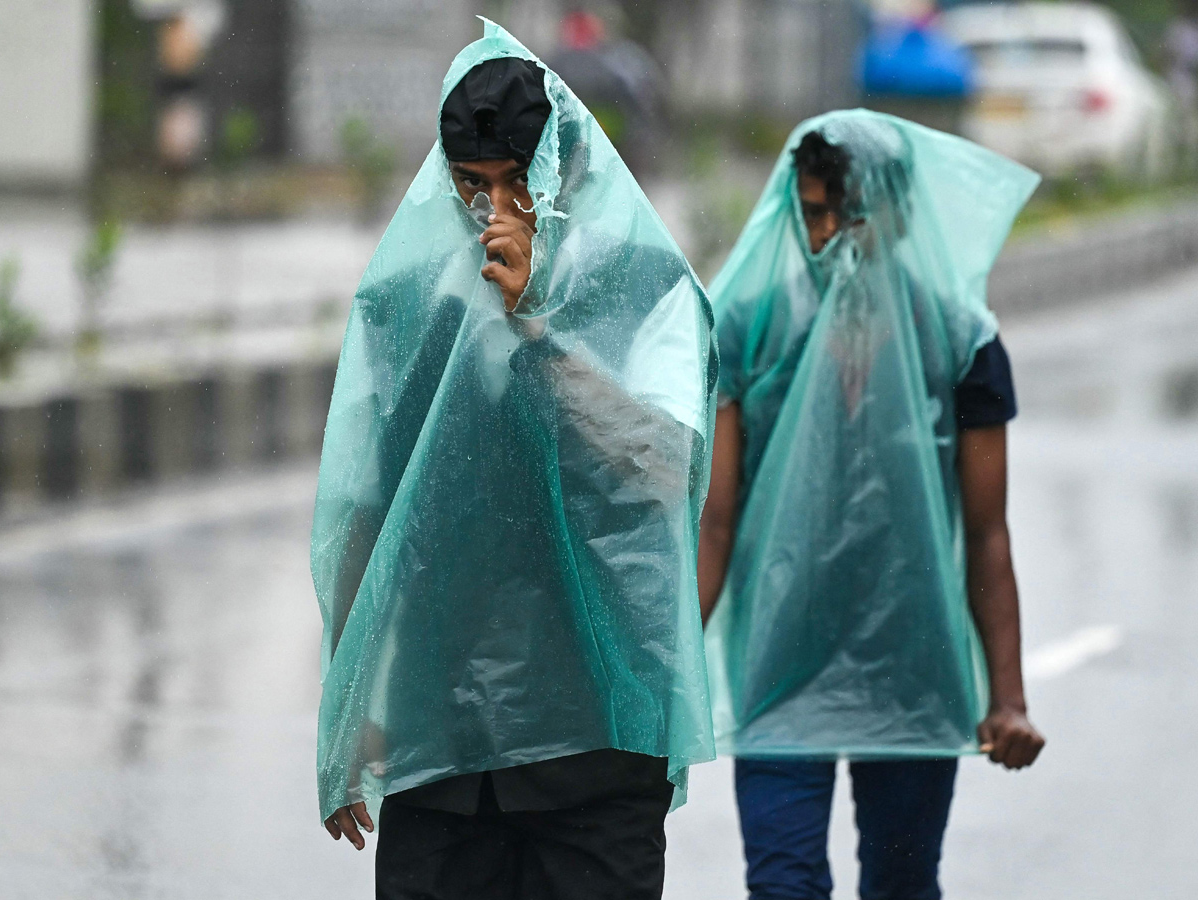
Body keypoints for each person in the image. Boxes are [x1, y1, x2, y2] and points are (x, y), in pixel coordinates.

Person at [311, 21, 717, 900]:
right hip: (442, 743)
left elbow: (666, 467)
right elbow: (369, 511)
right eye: (472, 185)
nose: (495, 211)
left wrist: (543, 326)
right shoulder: (407, 307)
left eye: (515, 184)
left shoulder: (646, 290)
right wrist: (348, 705)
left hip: (597, 742)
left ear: (563, 169)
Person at [698, 110, 1046, 900]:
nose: (830, 235)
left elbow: (987, 532)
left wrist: (1009, 697)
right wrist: (670, 682)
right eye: (813, 212)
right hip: (780, 659)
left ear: (897, 215)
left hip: (909, 664)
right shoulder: (751, 328)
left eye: (849, 214)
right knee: (783, 884)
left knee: (900, 881)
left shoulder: (959, 341)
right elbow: (715, 521)